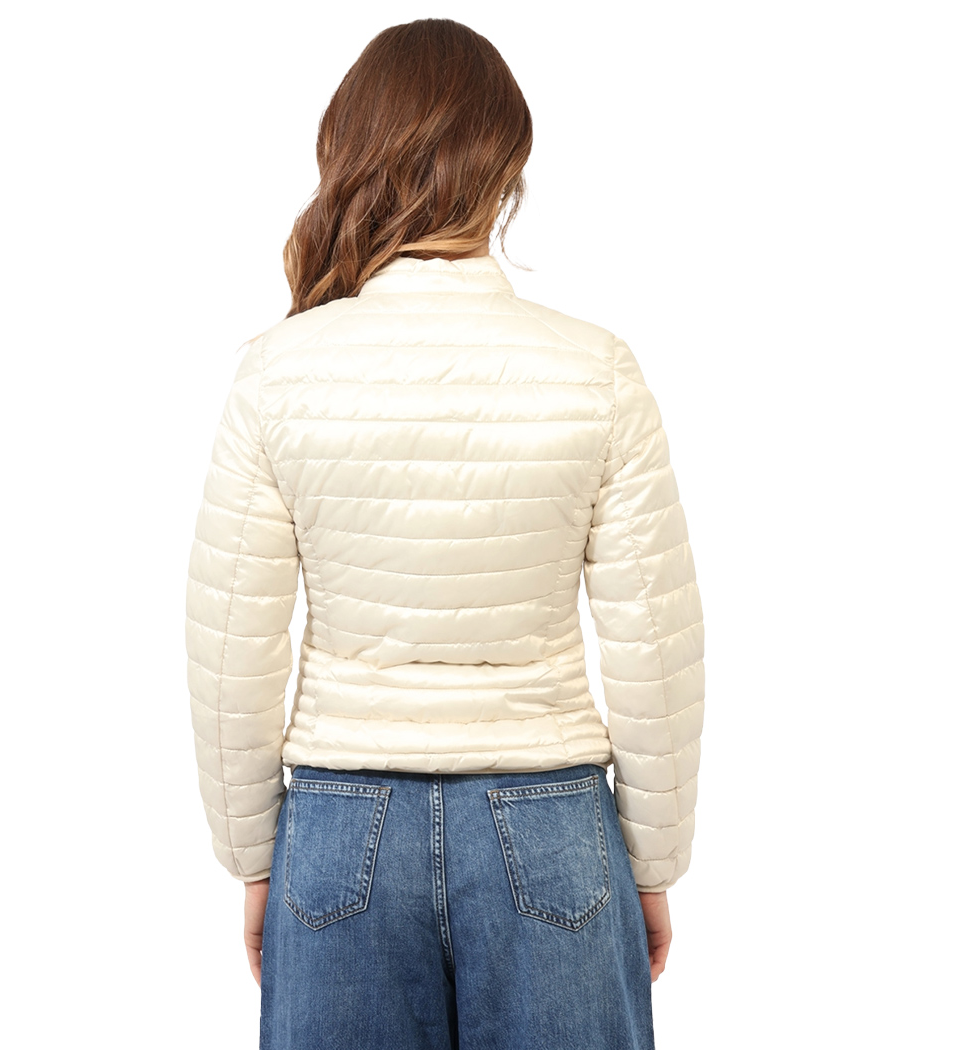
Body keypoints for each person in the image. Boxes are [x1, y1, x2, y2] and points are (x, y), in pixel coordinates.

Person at [185, 18, 704, 1050]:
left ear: (347, 153)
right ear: (505, 166)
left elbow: (232, 646)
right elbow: (655, 647)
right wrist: (653, 864)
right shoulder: (595, 369)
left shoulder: (277, 373)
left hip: (338, 833)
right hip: (554, 828)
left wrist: (255, 861)